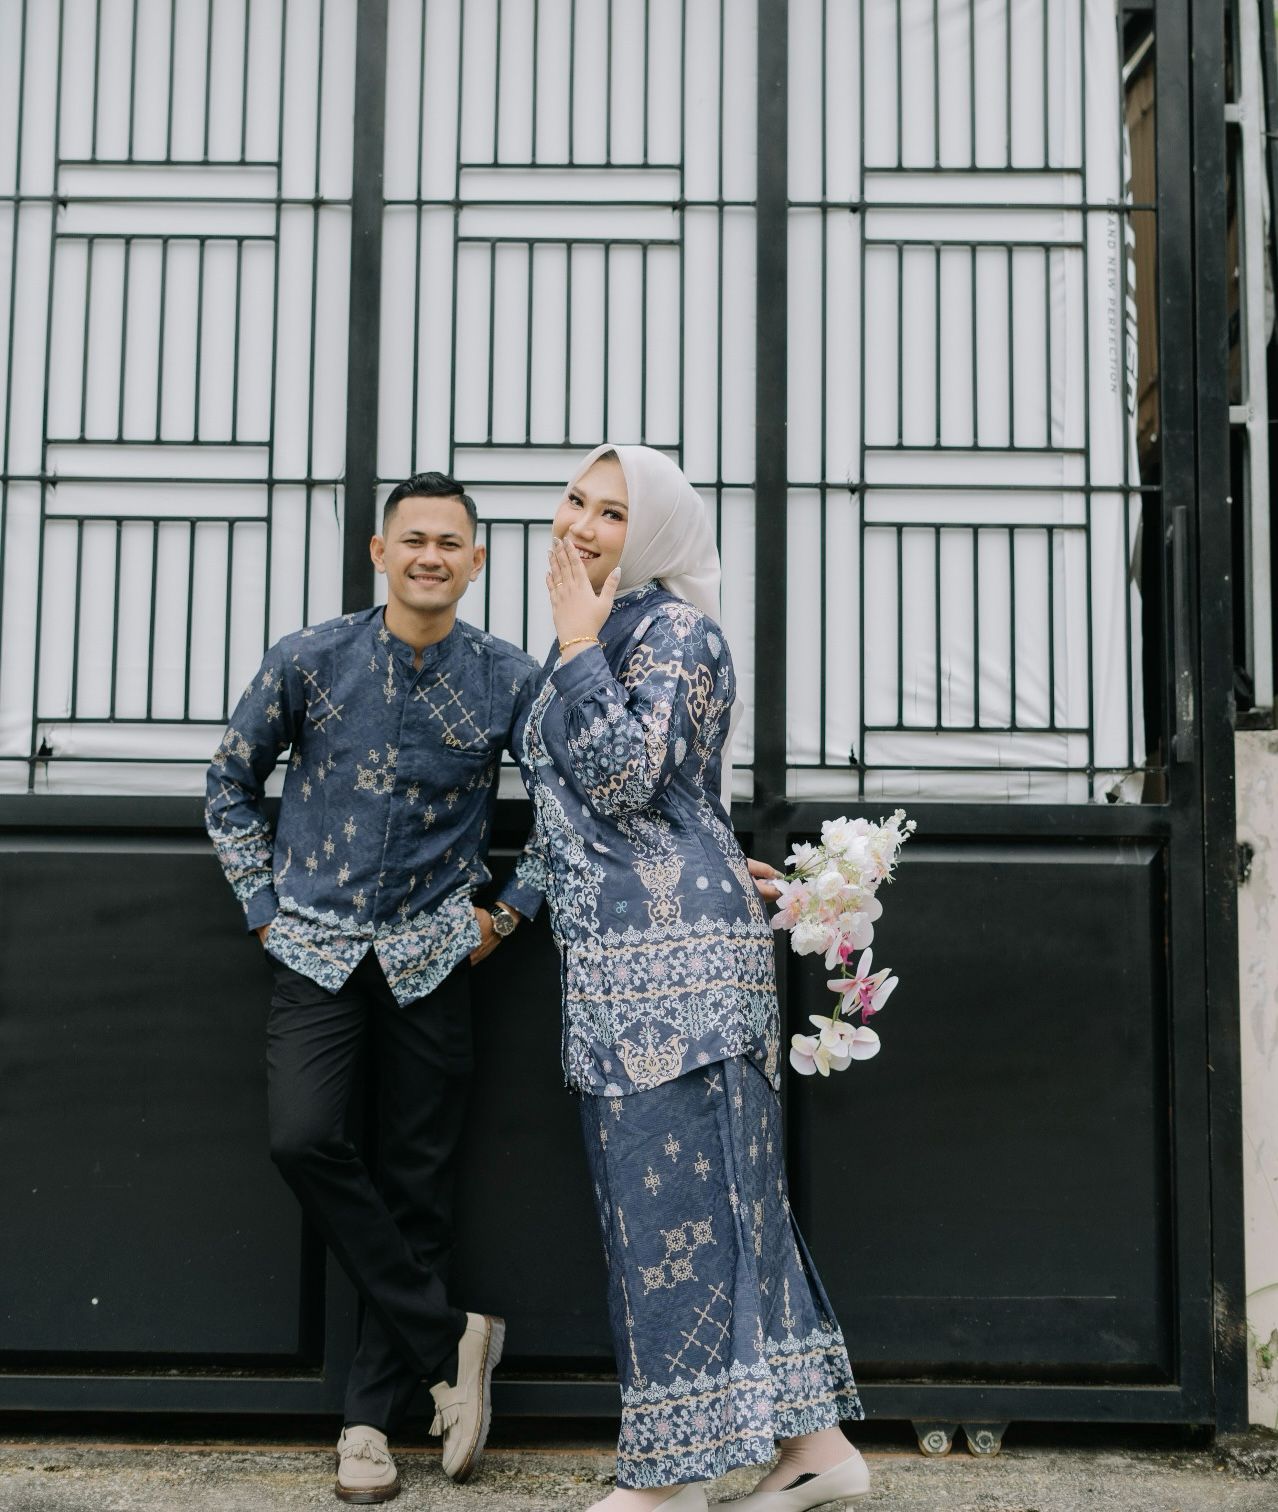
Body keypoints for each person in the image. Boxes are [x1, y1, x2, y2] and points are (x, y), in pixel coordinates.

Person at [513, 445, 870, 1512]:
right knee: (715, 1207)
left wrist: (578, 645)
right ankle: (818, 1452)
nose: (580, 526)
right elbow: (565, 816)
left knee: (676, 1213)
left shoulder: (675, 631)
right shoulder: (592, 636)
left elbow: (628, 780)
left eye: (612, 513)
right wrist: (508, 911)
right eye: (575, 500)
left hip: (682, 972)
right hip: (616, 970)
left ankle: (670, 1483)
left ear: (657, 534)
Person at [205, 471, 543, 1504]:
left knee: (417, 1185)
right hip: (312, 948)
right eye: (414, 539)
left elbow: (571, 814)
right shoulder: (309, 659)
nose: (430, 556)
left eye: (450, 542)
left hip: (435, 956)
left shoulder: (509, 678)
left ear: (476, 561)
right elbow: (229, 781)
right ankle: (451, 1339)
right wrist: (263, 906)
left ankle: (367, 1424)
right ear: (379, 552)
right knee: (303, 1138)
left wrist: (508, 913)